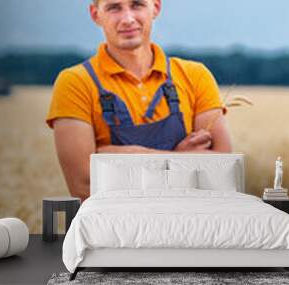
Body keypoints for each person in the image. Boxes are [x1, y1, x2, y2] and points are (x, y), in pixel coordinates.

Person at [46, 0, 232, 201]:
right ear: (95, 14)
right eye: (114, 7)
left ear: (156, 8)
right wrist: (181, 160)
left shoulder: (195, 76)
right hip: (112, 226)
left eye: (137, 5)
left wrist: (114, 156)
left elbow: (223, 170)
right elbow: (83, 183)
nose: (127, 19)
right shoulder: (75, 82)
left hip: (189, 223)